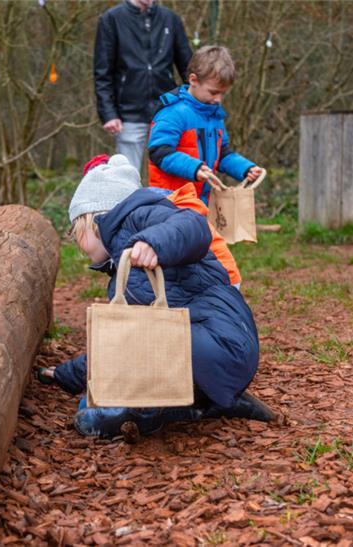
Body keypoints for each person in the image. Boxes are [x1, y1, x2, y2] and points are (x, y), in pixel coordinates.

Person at [38, 154, 275, 441]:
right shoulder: (123, 268)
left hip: (218, 343)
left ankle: (171, 411)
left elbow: (194, 227)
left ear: (95, 218)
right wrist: (67, 375)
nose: (77, 242)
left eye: (76, 230)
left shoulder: (142, 217)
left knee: (99, 411)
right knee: (99, 396)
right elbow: (124, 342)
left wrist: (154, 242)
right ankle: (209, 400)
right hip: (209, 349)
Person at [147, 45, 264, 204]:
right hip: (170, 199)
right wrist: (194, 168)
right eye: (213, 92)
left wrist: (245, 169)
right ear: (193, 80)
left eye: (222, 93)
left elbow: (222, 154)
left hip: (201, 199)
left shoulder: (214, 115)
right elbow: (159, 152)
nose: (218, 99)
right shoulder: (173, 113)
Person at [94, 0, 193, 171]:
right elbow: (103, 72)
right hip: (128, 112)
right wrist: (109, 113)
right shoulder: (112, 19)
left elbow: (188, 68)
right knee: (127, 176)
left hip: (167, 110)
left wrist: (194, 104)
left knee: (171, 171)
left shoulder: (170, 19)